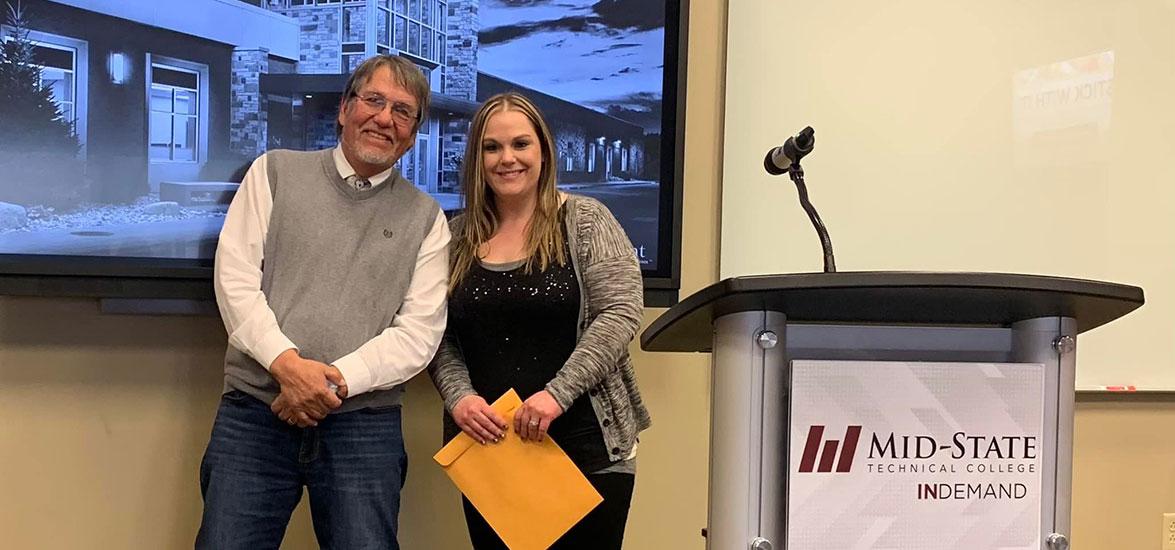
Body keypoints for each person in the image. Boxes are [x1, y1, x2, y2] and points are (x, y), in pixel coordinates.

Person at [196, 54, 450, 549]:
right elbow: (235, 281)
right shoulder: (272, 173)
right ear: (344, 108)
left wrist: (327, 384)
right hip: (257, 413)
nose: (384, 119)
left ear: (414, 132)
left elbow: (418, 334)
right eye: (373, 100)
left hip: (363, 428)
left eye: (403, 111)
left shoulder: (427, 218)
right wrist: (289, 368)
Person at [428, 92, 650, 549]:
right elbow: (437, 333)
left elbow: (620, 312)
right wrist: (459, 397)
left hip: (588, 450)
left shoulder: (587, 220)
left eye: (520, 144)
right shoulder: (455, 237)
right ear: (477, 158)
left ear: (544, 151)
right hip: (493, 454)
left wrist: (556, 395)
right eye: (492, 147)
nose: (507, 158)